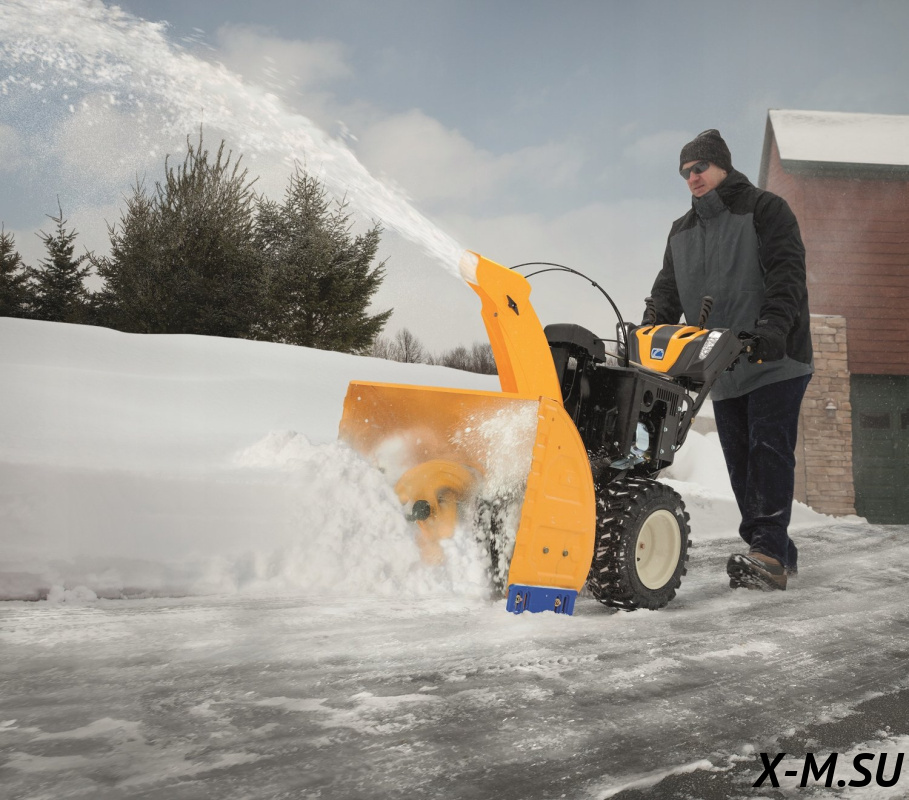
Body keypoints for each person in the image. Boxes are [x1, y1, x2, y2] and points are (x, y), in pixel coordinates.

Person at [646, 129, 813, 591]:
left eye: (699, 167)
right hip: (720, 364)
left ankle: (768, 554)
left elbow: (786, 274)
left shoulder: (765, 209)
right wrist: (650, 331)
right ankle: (776, 548)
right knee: (740, 463)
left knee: (768, 452)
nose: (692, 177)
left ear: (722, 165)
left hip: (775, 359)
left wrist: (773, 328)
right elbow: (667, 292)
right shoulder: (681, 230)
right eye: (685, 172)